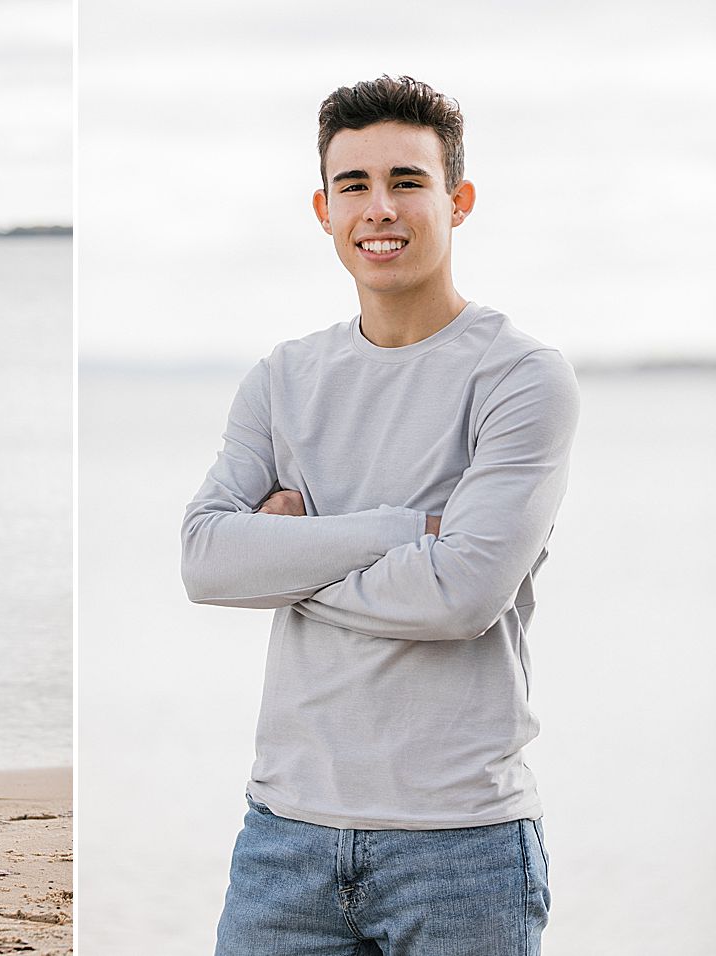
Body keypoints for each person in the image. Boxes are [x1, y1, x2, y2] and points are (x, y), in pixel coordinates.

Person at [181, 76, 578, 954]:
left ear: (458, 200)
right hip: (283, 840)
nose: (379, 209)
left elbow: (462, 596)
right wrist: (403, 531)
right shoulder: (283, 377)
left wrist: (286, 554)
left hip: (462, 848)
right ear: (323, 209)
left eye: (407, 181)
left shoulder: (520, 376)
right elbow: (206, 561)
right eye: (353, 185)